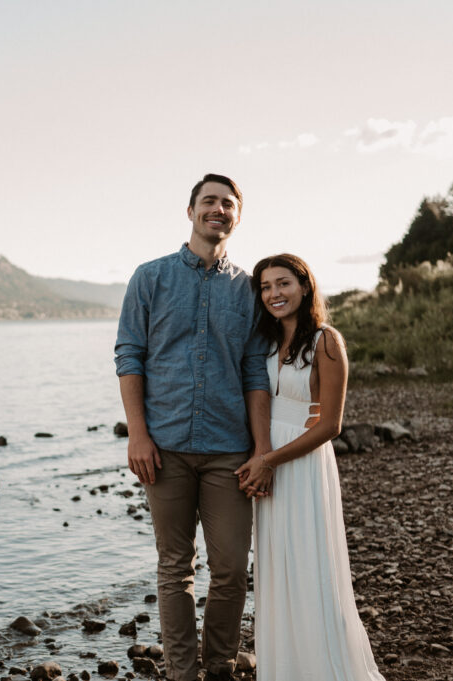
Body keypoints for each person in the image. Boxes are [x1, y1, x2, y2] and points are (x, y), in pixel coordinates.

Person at [115, 173, 272, 681]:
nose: (218, 210)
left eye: (228, 204)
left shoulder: (249, 290)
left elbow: (253, 371)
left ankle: (221, 668)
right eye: (209, 201)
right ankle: (182, 674)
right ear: (190, 212)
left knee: (229, 571)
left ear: (237, 217)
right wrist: (137, 434)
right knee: (175, 568)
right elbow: (129, 356)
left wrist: (262, 450)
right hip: (165, 448)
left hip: (230, 450)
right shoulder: (150, 278)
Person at [235, 254, 385, 681]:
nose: (274, 294)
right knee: (276, 568)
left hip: (301, 462)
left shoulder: (326, 341)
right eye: (265, 287)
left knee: (308, 563)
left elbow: (331, 425)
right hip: (267, 454)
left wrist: (268, 460)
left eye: (283, 284)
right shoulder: (262, 343)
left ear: (304, 286)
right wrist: (259, 453)